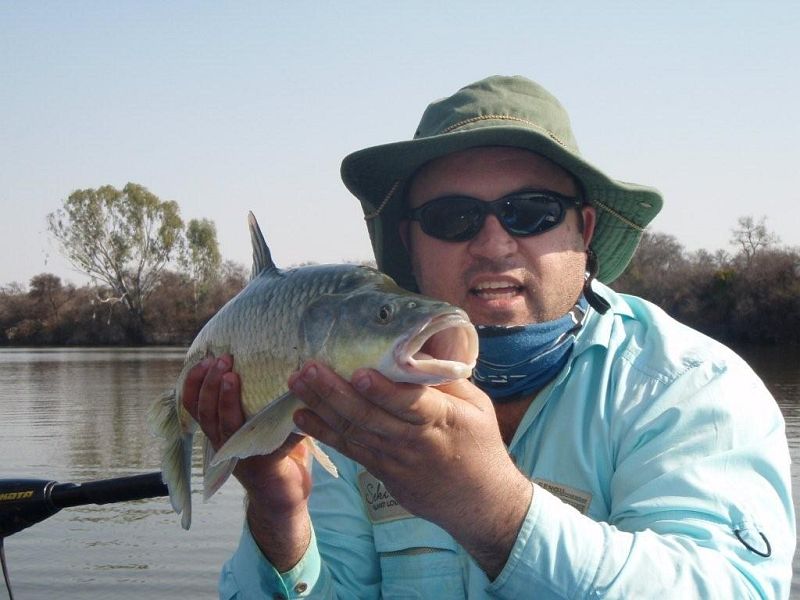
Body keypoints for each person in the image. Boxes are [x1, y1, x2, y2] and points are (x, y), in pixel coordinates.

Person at [183, 76, 795, 598]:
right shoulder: (347, 395)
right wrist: (279, 513)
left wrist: (495, 510)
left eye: (532, 211)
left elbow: (729, 582)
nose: (495, 243)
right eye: (453, 218)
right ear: (410, 247)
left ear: (584, 233)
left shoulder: (691, 390)